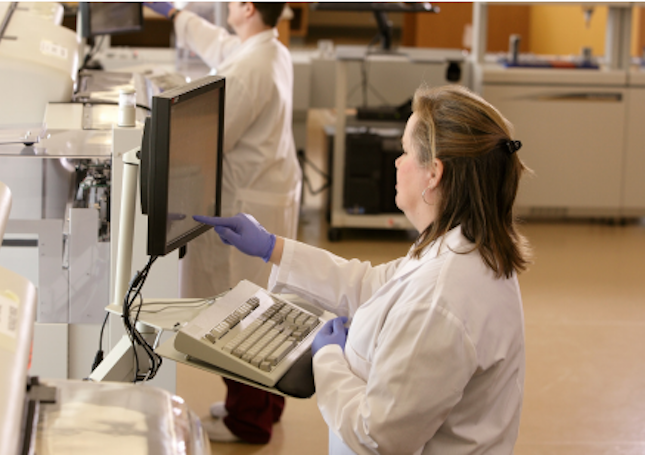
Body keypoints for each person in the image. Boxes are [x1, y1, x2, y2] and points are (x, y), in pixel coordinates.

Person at [195, 84, 531, 454]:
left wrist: (328, 360)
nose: (397, 162)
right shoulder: (463, 247)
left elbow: (379, 436)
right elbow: (375, 284)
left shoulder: (441, 299)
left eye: (405, 152)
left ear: (434, 173)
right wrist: (271, 247)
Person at [145, 2, 301, 445]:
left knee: (237, 311)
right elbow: (221, 46)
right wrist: (176, 15)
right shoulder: (269, 49)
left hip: (245, 201)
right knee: (260, 307)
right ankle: (262, 405)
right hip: (265, 190)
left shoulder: (253, 66)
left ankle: (247, 420)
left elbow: (209, 136)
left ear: (247, 7)